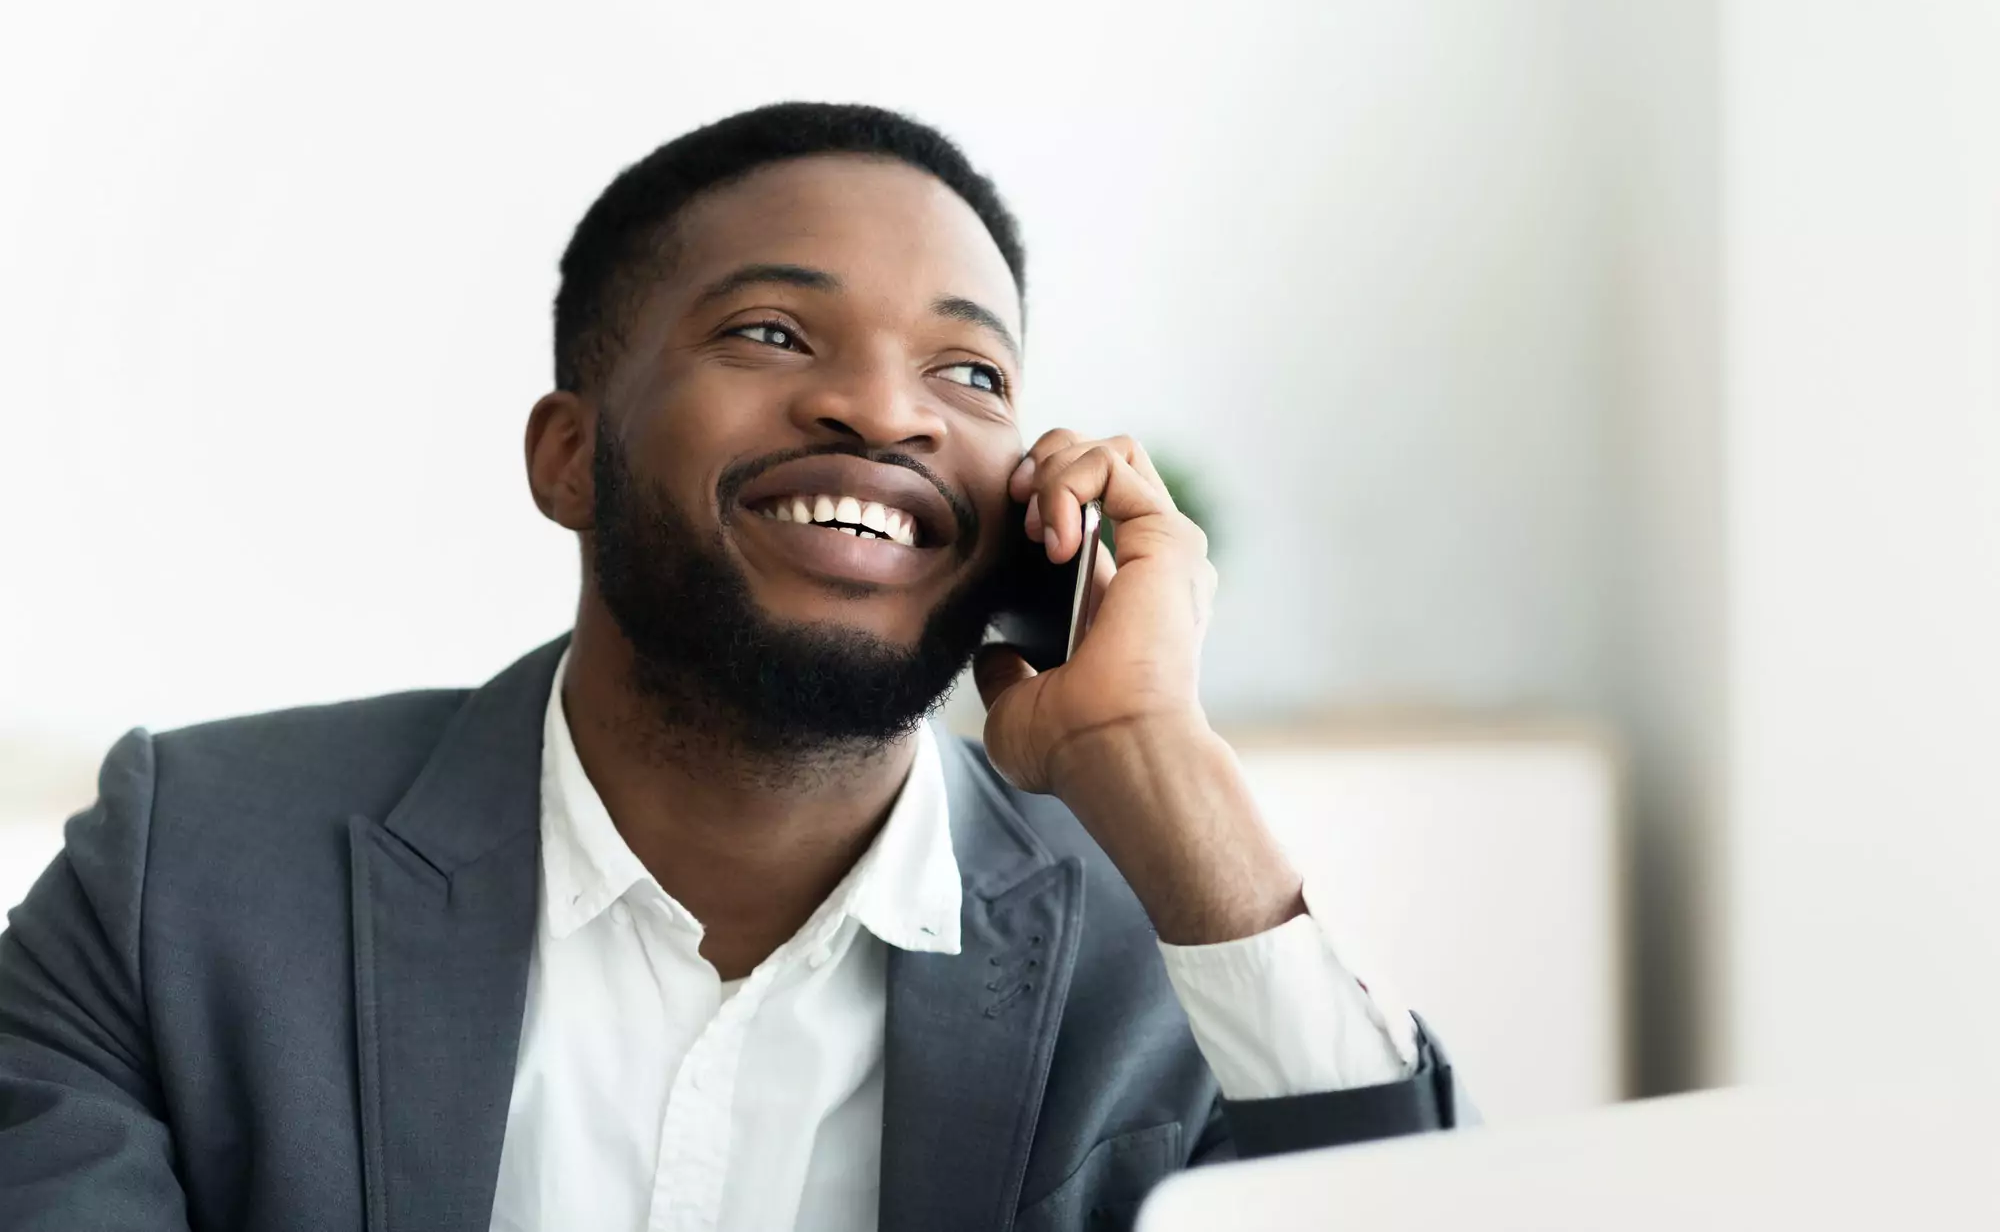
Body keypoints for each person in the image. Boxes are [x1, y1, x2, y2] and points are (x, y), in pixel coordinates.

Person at [0, 102, 1466, 1232]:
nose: (883, 410)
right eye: (772, 332)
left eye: (972, 374)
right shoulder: (184, 868)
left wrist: (1158, 755)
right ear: (570, 457)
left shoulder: (1163, 949)